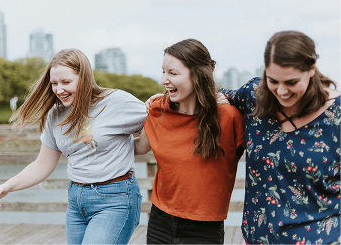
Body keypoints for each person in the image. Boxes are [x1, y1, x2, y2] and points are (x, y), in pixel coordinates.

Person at [0, 48, 147, 245]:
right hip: (77, 202)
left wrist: (137, 142)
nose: (58, 89)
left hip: (115, 200)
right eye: (54, 83)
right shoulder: (55, 114)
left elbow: (156, 125)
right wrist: (7, 186)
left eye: (66, 82)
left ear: (84, 78)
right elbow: (43, 164)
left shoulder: (115, 102)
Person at [218, 31, 341, 244]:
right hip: (256, 239)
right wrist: (161, 102)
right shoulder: (254, 94)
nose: (281, 91)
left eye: (291, 82)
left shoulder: (337, 116)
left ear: (312, 69)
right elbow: (215, 96)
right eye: (273, 80)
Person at [135, 39, 245, 245]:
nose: (164, 80)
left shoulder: (229, 116)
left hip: (204, 229)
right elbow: (139, 147)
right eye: (163, 72)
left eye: (173, 73)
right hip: (160, 221)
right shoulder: (157, 109)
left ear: (197, 75)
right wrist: (96, 142)